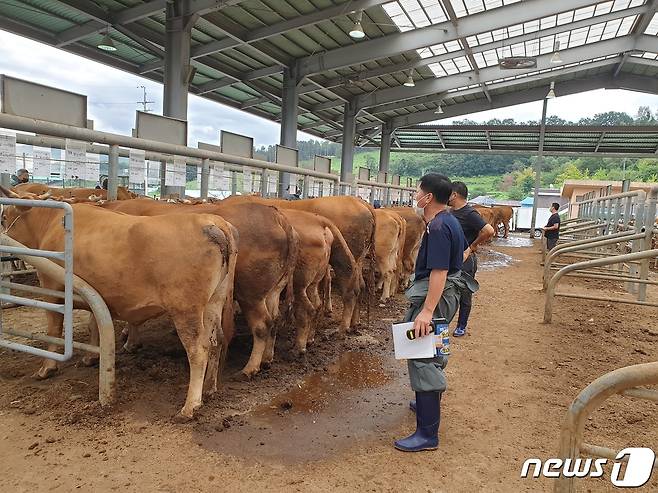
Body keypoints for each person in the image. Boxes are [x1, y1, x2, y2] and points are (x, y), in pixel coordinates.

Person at [394, 173, 478, 453]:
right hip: (448, 295)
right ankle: (424, 401)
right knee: (436, 347)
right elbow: (463, 253)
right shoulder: (449, 220)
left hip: (437, 297)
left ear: (428, 197)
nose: (415, 196)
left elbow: (439, 272)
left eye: (418, 191)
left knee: (421, 355)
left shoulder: (439, 227)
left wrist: (426, 311)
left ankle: (427, 434)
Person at [448, 182, 495, 337]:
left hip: (465, 260)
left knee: (464, 293)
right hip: (451, 259)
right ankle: (445, 323)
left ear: (454, 195)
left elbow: (489, 230)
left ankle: (461, 325)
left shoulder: (469, 213)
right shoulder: (451, 212)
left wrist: (472, 246)